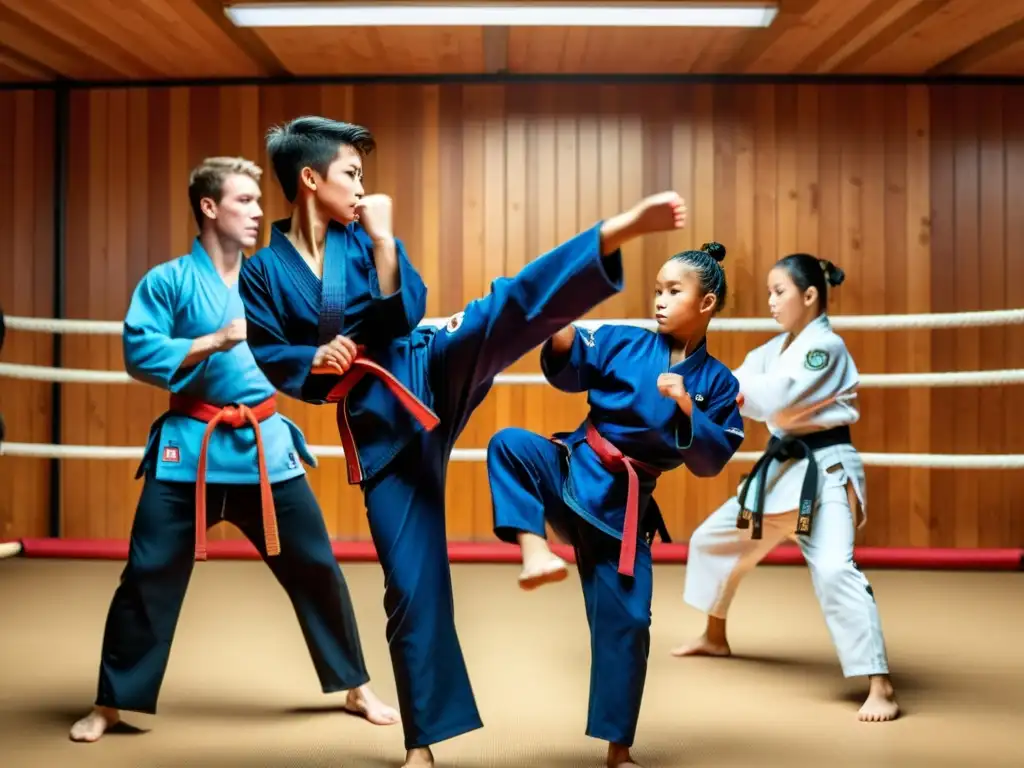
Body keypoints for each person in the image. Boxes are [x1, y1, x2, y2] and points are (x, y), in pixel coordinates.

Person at [237, 115, 688, 768]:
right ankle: (421, 744)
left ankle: (612, 234)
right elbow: (271, 354)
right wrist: (316, 361)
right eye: (351, 174)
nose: (363, 187)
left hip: (431, 362)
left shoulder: (366, 237)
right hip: (379, 420)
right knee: (411, 585)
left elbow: (409, 309)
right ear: (309, 180)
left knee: (504, 308)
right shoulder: (263, 275)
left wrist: (387, 246)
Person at [69, 156, 398, 743]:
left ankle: (355, 685)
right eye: (243, 200)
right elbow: (138, 352)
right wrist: (213, 340)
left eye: (256, 200)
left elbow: (313, 348)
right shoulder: (169, 281)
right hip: (188, 449)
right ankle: (112, 702)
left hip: (265, 447)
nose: (256, 211)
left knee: (317, 570)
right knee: (147, 574)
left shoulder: (274, 278)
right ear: (209, 207)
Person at [487, 242, 745, 767]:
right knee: (509, 443)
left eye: (674, 292)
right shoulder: (623, 341)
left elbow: (710, 461)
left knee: (628, 625)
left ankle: (618, 750)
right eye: (656, 290)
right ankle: (535, 550)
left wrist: (685, 410)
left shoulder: (719, 384)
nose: (660, 301)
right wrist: (557, 329)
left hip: (622, 516)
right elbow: (568, 360)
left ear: (707, 303)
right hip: (569, 474)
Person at [673, 252, 900, 722]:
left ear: (810, 295)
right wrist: (697, 388)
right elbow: (735, 380)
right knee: (713, 540)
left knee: (836, 569)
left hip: (825, 473)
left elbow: (776, 394)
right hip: (780, 471)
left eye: (780, 292)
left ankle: (881, 684)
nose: (771, 302)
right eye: (769, 293)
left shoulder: (826, 349)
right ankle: (715, 636)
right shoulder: (771, 350)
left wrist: (722, 392)